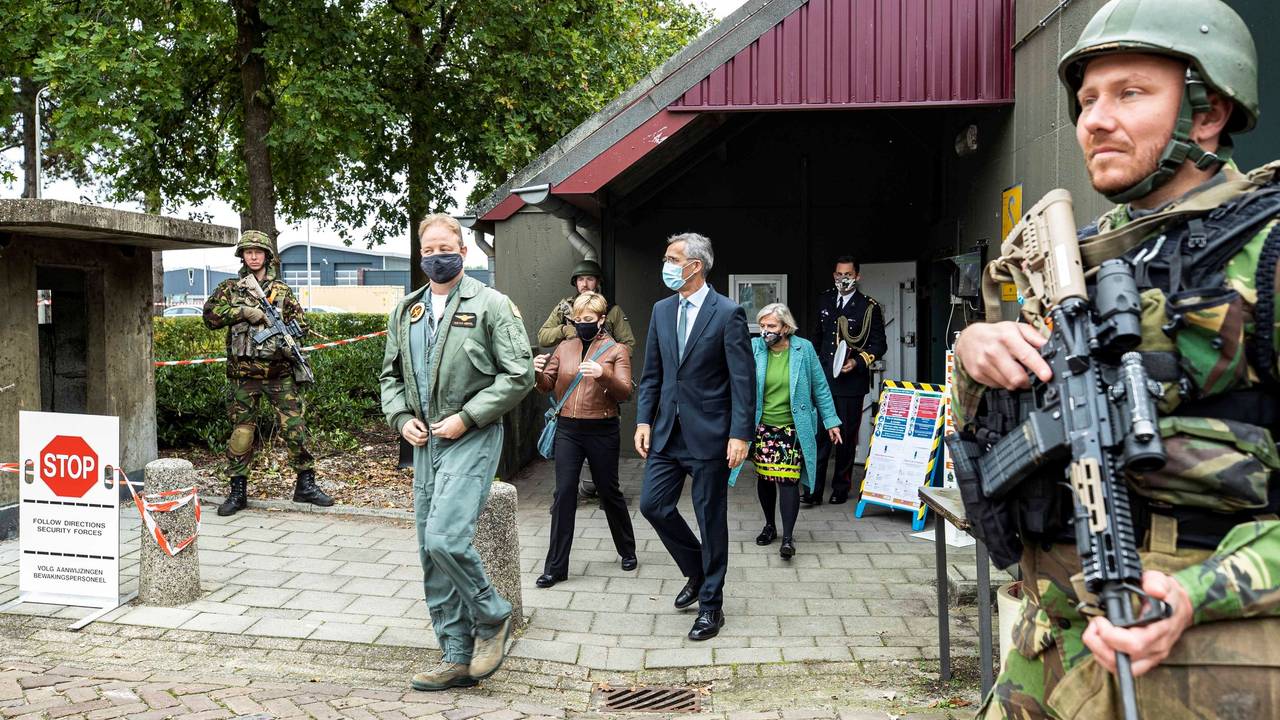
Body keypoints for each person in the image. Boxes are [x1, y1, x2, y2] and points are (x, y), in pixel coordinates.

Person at [953, 1, 1280, 716]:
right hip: (1051, 652)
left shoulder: (1269, 251)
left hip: (1204, 662)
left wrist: (1201, 593)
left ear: (1206, 113)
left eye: (1130, 94)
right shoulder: (1082, 259)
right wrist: (975, 360)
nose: (1094, 119)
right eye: (1086, 100)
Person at [379, 213, 534, 692]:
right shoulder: (407, 310)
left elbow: (519, 374)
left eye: (444, 248)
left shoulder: (491, 305)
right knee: (430, 552)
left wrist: (467, 417)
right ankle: (456, 656)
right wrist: (402, 420)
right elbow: (390, 377)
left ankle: (492, 613)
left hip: (472, 436)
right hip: (426, 445)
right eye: (426, 251)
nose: (435, 257)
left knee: (445, 538)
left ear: (463, 252)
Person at [635, 232, 754, 642]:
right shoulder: (661, 310)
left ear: (695, 266)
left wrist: (741, 434)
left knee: (710, 518)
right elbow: (652, 372)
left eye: (672, 258)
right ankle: (698, 571)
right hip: (668, 433)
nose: (666, 265)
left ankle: (711, 606)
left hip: (711, 436)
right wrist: (643, 420)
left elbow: (743, 381)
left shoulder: (728, 313)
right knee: (653, 505)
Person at [202, 230, 333, 517]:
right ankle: (238, 491)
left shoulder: (282, 291)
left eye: (258, 252)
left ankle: (305, 485)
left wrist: (288, 340)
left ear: (267, 257)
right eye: (248, 251)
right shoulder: (230, 289)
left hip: (279, 374)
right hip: (244, 376)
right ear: (242, 256)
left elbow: (300, 323)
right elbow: (209, 316)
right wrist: (243, 312)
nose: (253, 256)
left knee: (294, 428)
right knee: (242, 433)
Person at [532, 291, 637, 588]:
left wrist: (603, 373)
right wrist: (537, 373)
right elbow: (547, 386)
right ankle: (555, 568)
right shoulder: (565, 347)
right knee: (564, 494)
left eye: (588, 319)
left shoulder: (616, 350)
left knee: (609, 491)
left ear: (601, 320)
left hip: (602, 429)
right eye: (577, 319)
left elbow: (625, 392)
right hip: (568, 429)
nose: (582, 324)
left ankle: (627, 549)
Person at [729, 303, 842, 560]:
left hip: (793, 427)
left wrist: (831, 421)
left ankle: (788, 538)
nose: (765, 331)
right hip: (762, 426)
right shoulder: (755, 347)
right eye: (763, 326)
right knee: (766, 479)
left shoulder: (805, 349)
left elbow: (820, 387)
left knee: (788, 481)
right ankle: (770, 526)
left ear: (785, 327)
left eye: (771, 326)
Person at [808, 256, 886, 505]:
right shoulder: (825, 299)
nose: (844, 278)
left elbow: (879, 344)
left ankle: (840, 488)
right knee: (819, 435)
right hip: (824, 381)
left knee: (845, 436)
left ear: (857, 276)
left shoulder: (868, 307)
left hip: (851, 384)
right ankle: (813, 489)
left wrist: (858, 362)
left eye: (848, 274)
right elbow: (818, 338)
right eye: (839, 274)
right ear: (834, 276)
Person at [536, 258, 636, 351]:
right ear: (576, 283)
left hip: (599, 365)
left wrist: (608, 359)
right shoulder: (565, 308)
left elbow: (628, 345)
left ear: (597, 282)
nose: (584, 284)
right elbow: (543, 337)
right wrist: (564, 330)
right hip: (571, 363)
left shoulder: (612, 310)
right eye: (580, 279)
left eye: (590, 279)